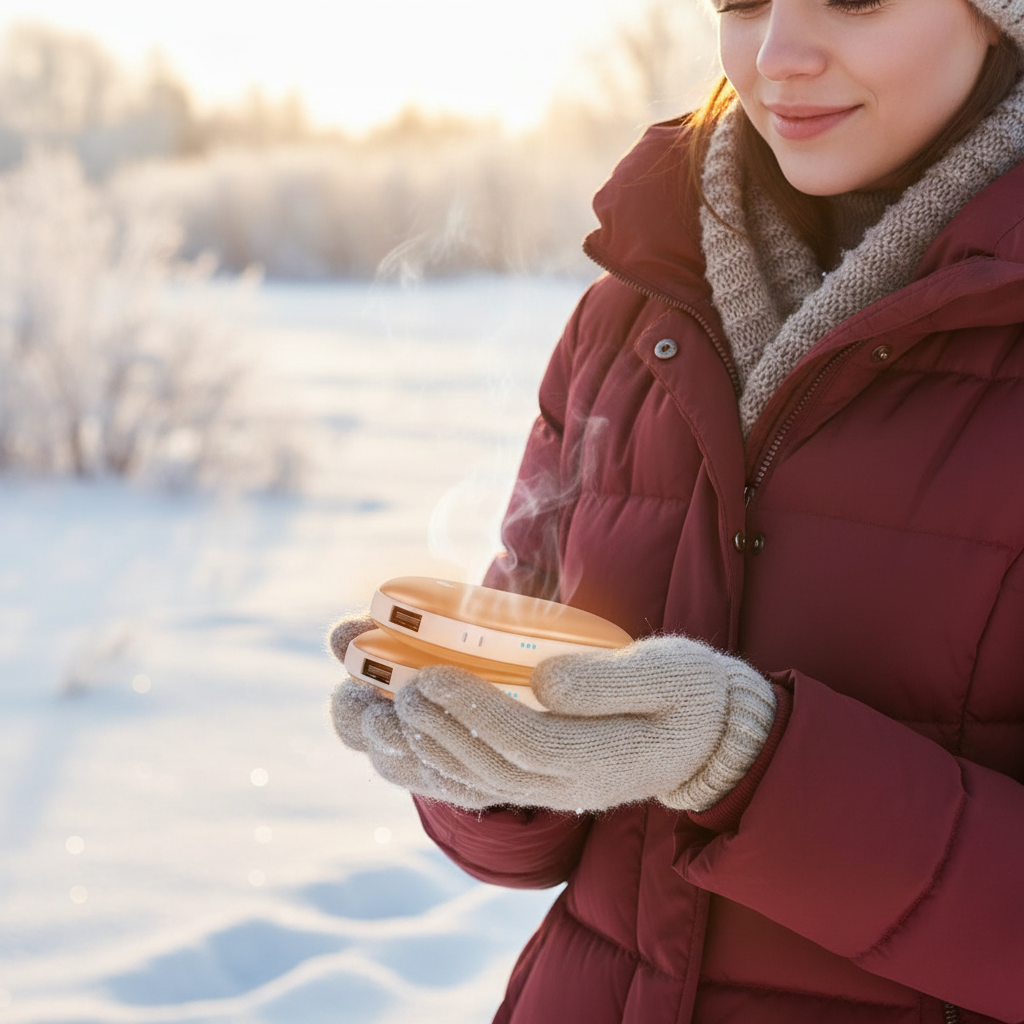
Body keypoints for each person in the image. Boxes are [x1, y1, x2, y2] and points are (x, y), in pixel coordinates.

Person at [329, 0, 1024, 1020]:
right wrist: (474, 768)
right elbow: (544, 816)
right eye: (741, 0)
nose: (776, 54)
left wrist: (742, 759)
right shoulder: (631, 309)